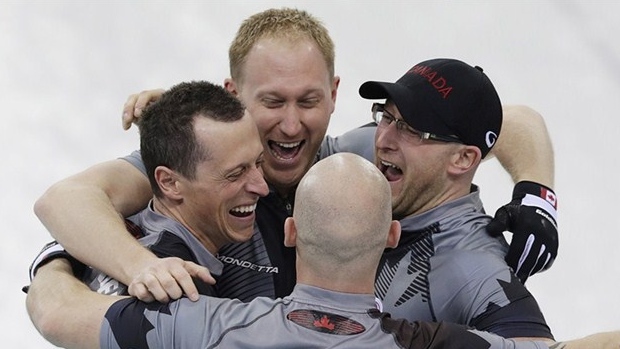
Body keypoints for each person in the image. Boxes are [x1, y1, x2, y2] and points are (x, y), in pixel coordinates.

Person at [32, 8, 556, 304]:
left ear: (334, 93)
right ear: (233, 94)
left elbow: (510, 121)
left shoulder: (357, 157)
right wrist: (135, 265)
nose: (290, 123)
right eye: (271, 102)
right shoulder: (200, 160)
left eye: (307, 101)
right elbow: (67, 199)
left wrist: (537, 195)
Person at [27, 153, 618, 349]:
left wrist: (60, 254)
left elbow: (54, 314)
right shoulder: (441, 343)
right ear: (391, 238)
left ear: (289, 235)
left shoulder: (203, 323)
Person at [359, 58, 557, 339]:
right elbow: (516, 119)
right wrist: (539, 193)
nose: (382, 140)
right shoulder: (370, 159)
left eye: (411, 129)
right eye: (386, 116)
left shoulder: (473, 266)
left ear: (463, 159)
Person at [28, 80, 269, 301]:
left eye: (258, 162)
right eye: (235, 174)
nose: (262, 187)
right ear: (169, 182)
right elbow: (56, 200)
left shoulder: (116, 235)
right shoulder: (175, 289)